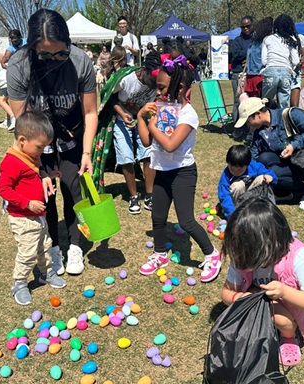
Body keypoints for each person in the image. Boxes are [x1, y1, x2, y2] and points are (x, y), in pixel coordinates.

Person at [7, 9, 98, 276]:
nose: (55, 60)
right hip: (37, 142)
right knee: (44, 195)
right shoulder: (18, 65)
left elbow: (90, 112)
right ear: (32, 47)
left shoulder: (80, 61)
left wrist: (87, 152)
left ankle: (75, 246)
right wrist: (38, 168)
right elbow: (23, 124)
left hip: (71, 137)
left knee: (73, 191)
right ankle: (54, 248)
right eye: (45, 55)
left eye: (61, 53)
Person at [136, 54, 222, 283]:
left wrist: (152, 126)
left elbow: (170, 145)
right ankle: (159, 254)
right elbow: (146, 141)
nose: (157, 93)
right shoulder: (161, 109)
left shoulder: (188, 114)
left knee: (186, 221)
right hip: (161, 171)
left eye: (162, 88)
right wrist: (141, 117)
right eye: (157, 87)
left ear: (180, 87)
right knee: (157, 217)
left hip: (182, 172)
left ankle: (212, 254)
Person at [220, 197, 304, 366]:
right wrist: (240, 298)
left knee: (280, 319)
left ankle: (289, 336)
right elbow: (226, 293)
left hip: (295, 305)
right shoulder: (242, 254)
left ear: (265, 245)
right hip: (262, 297)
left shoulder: (298, 257)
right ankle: (264, 325)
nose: (239, 257)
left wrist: (284, 292)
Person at [0, 110, 67, 305]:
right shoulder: (12, 161)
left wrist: (47, 175)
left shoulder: (29, 155)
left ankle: (47, 273)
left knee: (45, 246)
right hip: (23, 217)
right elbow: (3, 189)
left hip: (38, 215)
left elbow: (32, 176)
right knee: (28, 253)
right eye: (39, 147)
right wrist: (27, 203)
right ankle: (19, 284)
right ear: (22, 140)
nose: (41, 151)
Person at [235, 97, 304, 210]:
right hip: (288, 162)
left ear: (258, 114)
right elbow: (254, 155)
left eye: (248, 121)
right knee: (263, 158)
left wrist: (294, 145)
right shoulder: (259, 131)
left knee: (273, 173)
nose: (248, 125)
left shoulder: (290, 114)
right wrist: (242, 176)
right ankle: (283, 191)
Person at [110, 51, 160, 214]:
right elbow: (111, 98)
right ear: (144, 70)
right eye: (152, 79)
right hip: (122, 118)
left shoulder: (156, 83)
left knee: (148, 154)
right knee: (126, 157)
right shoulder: (126, 79)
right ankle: (133, 196)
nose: (154, 83)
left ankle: (150, 195)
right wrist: (123, 113)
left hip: (143, 119)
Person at [218, 144, 278, 218]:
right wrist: (231, 214)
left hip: (249, 194)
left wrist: (270, 177)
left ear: (247, 164)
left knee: (262, 178)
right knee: (238, 185)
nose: (236, 172)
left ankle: (257, 206)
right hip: (235, 201)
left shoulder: (254, 166)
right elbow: (224, 195)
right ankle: (237, 210)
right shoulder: (226, 175)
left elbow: (271, 175)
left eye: (240, 170)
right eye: (232, 169)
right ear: (228, 163)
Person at [261, 14, 300, 108]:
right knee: (284, 104)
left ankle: (266, 116)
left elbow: (264, 61)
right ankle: (282, 117)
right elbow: (296, 61)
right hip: (286, 73)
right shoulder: (291, 40)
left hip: (270, 71)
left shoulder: (267, 39)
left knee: (265, 103)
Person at [231, 16, 253, 132]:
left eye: (247, 26)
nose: (245, 28)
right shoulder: (237, 40)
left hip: (252, 74)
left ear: (252, 26)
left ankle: (251, 127)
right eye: (243, 27)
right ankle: (237, 127)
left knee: (251, 101)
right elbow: (235, 55)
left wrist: (248, 59)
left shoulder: (256, 40)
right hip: (238, 74)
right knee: (237, 101)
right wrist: (249, 53)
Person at [244, 17, 273, 99]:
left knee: (252, 100)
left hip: (250, 75)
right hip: (259, 74)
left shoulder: (253, 41)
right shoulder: (265, 41)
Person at [290, 33, 304, 107]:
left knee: (294, 106)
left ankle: (293, 112)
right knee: (283, 102)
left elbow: (303, 55)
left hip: (295, 71)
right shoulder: (280, 38)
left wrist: (301, 61)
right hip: (284, 70)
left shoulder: (300, 37)